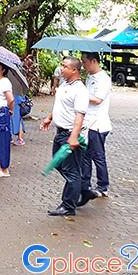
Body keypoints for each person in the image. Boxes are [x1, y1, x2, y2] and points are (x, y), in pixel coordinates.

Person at [40, 56, 88, 216]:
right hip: (60, 133)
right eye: (61, 65)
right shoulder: (64, 84)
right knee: (59, 164)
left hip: (70, 135)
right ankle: (81, 188)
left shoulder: (80, 90)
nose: (61, 68)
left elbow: (79, 116)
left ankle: (68, 206)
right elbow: (59, 106)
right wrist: (49, 117)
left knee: (71, 171)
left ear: (74, 70)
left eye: (65, 66)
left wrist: (73, 137)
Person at [80, 52, 111, 201]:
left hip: (98, 123)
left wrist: (80, 95)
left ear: (93, 61)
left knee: (98, 156)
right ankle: (85, 185)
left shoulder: (103, 79)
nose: (83, 65)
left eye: (84, 62)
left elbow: (98, 99)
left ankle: (103, 186)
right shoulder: (89, 77)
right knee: (85, 155)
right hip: (87, 123)